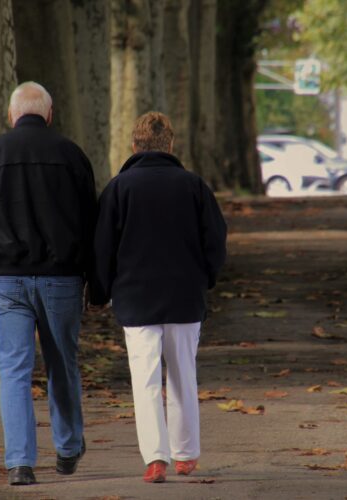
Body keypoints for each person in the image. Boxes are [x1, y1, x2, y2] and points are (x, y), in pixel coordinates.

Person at [0, 81, 95, 486]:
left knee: (14, 370)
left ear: (12, 115)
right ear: (49, 115)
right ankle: (68, 448)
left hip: (6, 278)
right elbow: (91, 222)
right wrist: (94, 278)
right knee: (61, 364)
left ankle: (19, 462)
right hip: (62, 279)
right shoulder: (72, 155)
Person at [90, 112, 227, 483]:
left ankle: (155, 457)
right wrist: (206, 279)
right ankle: (186, 454)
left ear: (134, 146)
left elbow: (103, 248)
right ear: (171, 145)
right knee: (184, 374)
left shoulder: (119, 189)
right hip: (185, 296)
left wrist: (100, 292)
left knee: (145, 380)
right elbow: (214, 240)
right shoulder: (194, 186)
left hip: (135, 298)